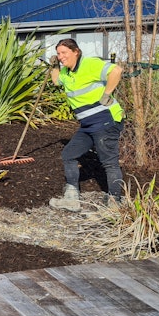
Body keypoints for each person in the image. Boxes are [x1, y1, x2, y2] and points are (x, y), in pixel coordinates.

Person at [48, 38, 124, 212]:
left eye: (64, 53)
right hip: (88, 125)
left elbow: (116, 71)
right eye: (58, 54)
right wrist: (54, 66)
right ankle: (72, 199)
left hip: (105, 120)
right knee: (68, 154)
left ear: (76, 51)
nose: (61, 57)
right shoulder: (66, 72)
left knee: (109, 163)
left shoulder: (90, 64)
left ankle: (114, 205)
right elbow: (56, 81)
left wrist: (107, 94)